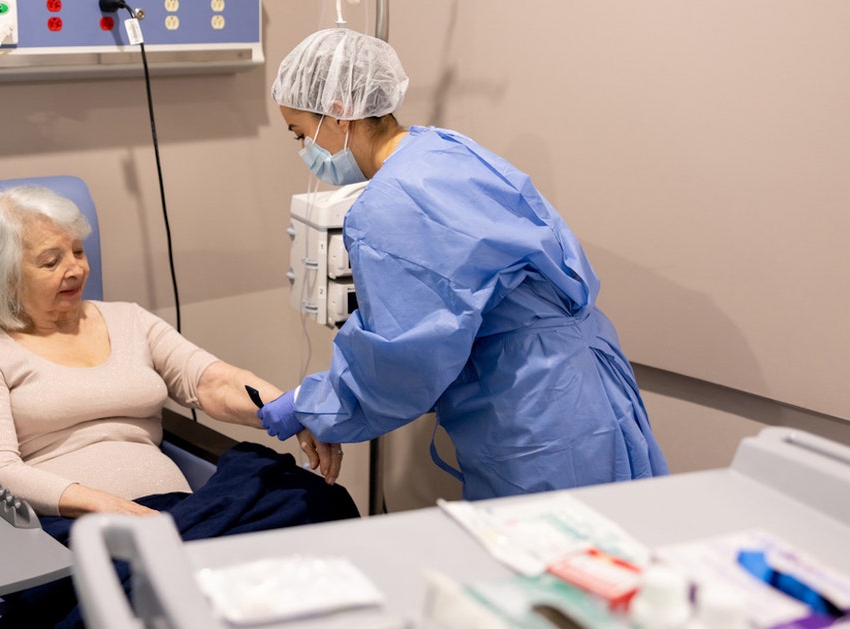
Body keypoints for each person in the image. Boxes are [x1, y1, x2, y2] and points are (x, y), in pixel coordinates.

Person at [0, 184, 358, 629]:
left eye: (78, 251)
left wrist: (290, 408)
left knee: (316, 500)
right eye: (51, 260)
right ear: (7, 278)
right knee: (128, 607)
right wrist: (109, 507)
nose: (75, 269)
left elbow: (208, 380)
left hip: (188, 515)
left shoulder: (128, 321)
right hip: (79, 529)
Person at [258, 28, 669, 501]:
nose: (305, 152)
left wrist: (312, 405)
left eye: (301, 134)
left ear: (338, 110)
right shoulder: (445, 149)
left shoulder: (389, 208)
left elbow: (401, 360)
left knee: (556, 561)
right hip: (587, 380)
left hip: (537, 413)